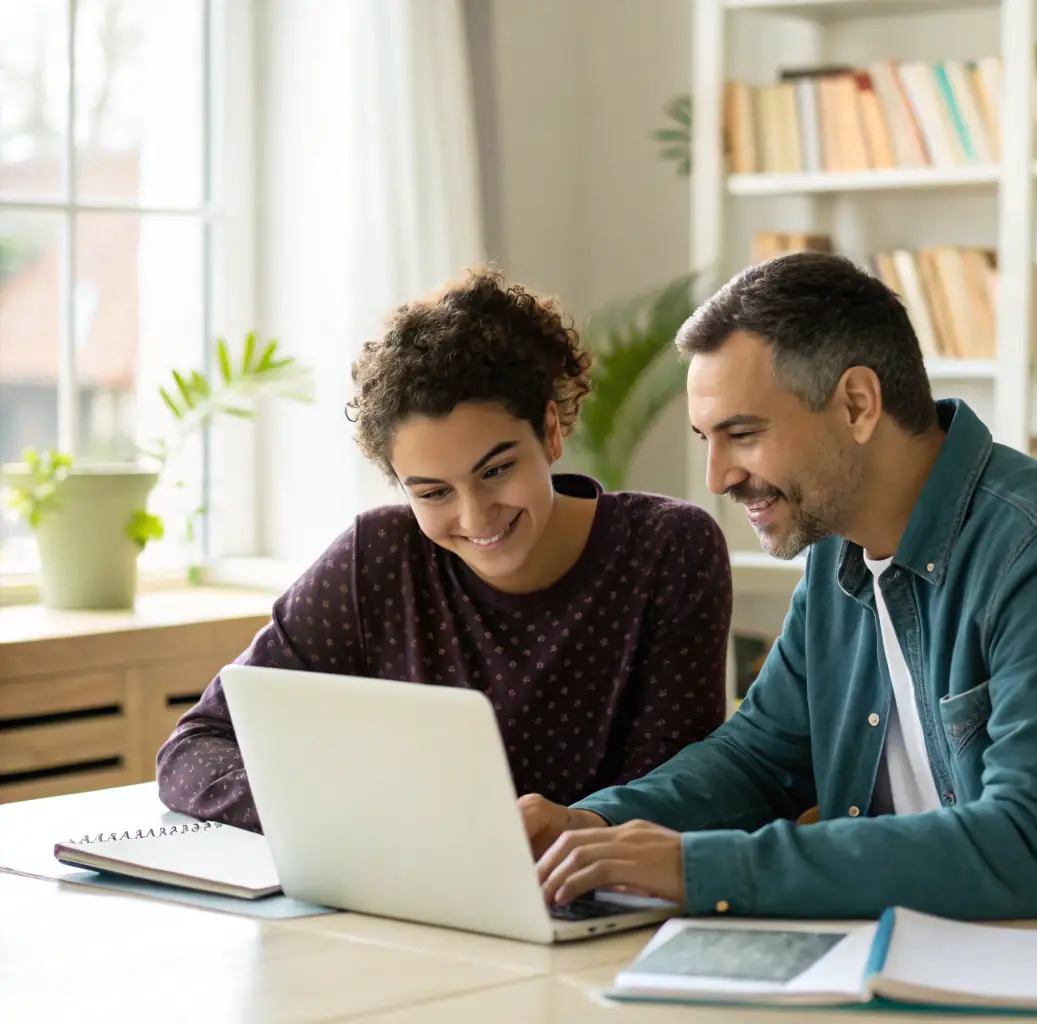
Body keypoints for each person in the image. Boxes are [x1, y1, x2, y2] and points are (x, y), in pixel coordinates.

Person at [522, 251, 1037, 955]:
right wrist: (592, 824)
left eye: (742, 434)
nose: (717, 477)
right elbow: (758, 758)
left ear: (856, 403)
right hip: (949, 963)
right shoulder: (837, 552)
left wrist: (702, 869)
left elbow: (1030, 846)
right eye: (706, 439)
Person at [157, 268, 732, 831]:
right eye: (433, 493)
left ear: (551, 431)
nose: (476, 517)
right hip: (399, 879)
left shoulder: (667, 549)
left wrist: (571, 828)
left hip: (592, 880)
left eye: (497, 470)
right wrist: (344, 817)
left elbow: (677, 789)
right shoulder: (375, 560)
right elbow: (195, 747)